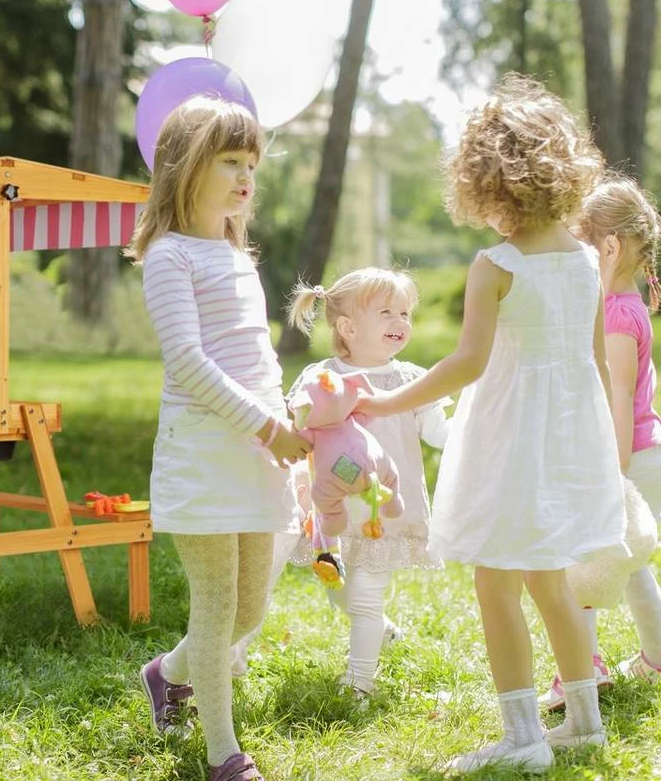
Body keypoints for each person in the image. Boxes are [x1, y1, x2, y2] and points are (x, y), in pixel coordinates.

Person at [358, 74, 627, 774]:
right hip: (567, 433)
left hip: (511, 435)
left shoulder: (495, 265)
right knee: (551, 578)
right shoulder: (586, 261)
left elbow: (468, 363)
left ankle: (523, 739)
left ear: (486, 184)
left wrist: (388, 401)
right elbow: (595, 362)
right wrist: (601, 452)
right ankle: (586, 725)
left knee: (496, 581)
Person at [126, 96, 311, 781]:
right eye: (229, 161)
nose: (244, 177)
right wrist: (267, 427)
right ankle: (224, 754)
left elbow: (254, 357)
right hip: (206, 451)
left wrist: (290, 417)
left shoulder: (236, 255)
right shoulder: (171, 257)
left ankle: (166, 672)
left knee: (250, 606)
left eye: (251, 164)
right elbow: (189, 363)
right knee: (215, 601)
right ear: (185, 167)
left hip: (258, 449)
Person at [230, 268, 451, 699]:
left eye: (405, 313)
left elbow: (439, 434)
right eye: (386, 312)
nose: (400, 322)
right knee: (341, 593)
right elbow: (298, 433)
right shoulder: (321, 379)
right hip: (329, 513)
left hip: (381, 512)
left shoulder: (410, 380)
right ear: (348, 327)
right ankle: (380, 630)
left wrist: (480, 430)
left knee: (366, 597)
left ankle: (359, 683)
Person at [566, 175, 661, 691]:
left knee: (584, 561)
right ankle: (655, 658)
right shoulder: (623, 305)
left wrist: (613, 470)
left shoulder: (619, 316)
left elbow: (621, 396)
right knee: (628, 564)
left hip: (628, 457)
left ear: (607, 247)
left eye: (580, 244)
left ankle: (582, 670)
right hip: (642, 453)